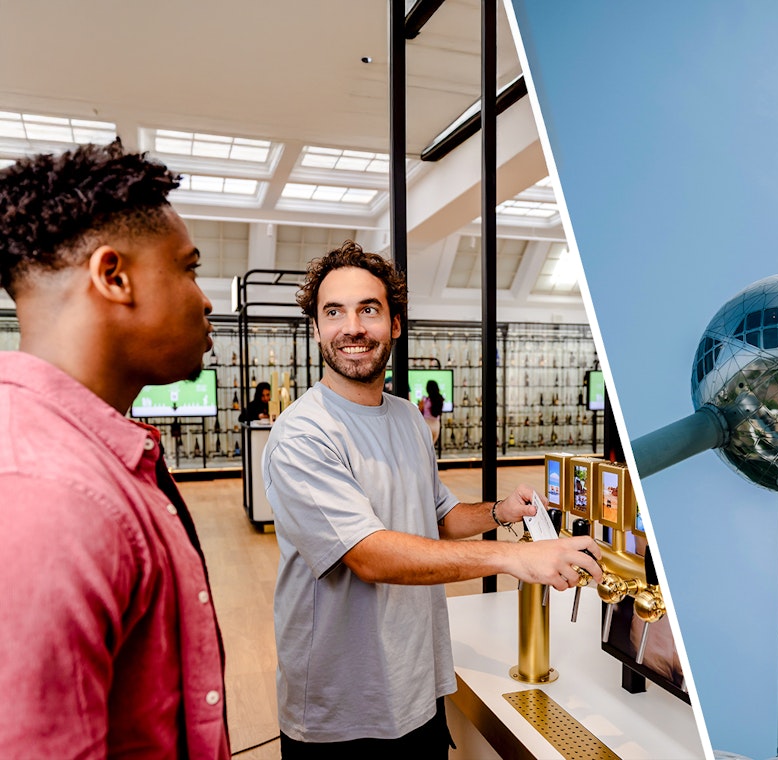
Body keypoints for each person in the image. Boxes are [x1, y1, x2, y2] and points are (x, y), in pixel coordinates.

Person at [264, 241, 602, 758]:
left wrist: (500, 512)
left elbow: (438, 516)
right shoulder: (303, 434)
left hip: (418, 690)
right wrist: (514, 558)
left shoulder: (407, 418)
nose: (352, 327)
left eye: (368, 310)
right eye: (333, 312)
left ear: (395, 323)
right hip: (344, 716)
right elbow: (369, 556)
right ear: (315, 328)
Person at [0, 142, 229, 757]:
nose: (206, 300)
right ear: (114, 276)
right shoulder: (46, 495)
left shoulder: (91, 459)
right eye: (188, 269)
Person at [419, 378, 444, 443]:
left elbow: (418, 412)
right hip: (436, 425)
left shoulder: (424, 400)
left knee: (425, 447)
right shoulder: (440, 399)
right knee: (431, 446)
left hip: (427, 425)